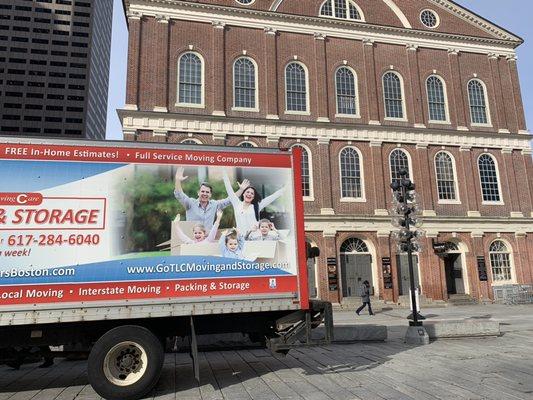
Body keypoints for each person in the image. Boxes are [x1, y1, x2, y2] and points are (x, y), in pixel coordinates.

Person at [174, 167, 249, 230]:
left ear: (210, 195)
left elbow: (230, 199)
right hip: (193, 239)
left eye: (207, 192)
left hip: (208, 240)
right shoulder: (190, 203)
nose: (204, 194)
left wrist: (241, 190)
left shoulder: (214, 204)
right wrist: (177, 180)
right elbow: (179, 195)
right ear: (198, 193)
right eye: (202, 191)